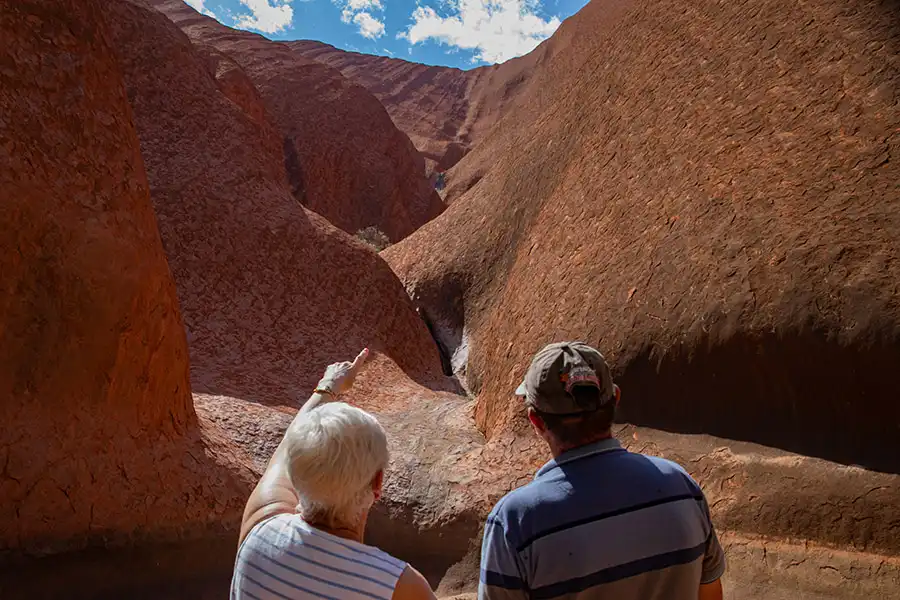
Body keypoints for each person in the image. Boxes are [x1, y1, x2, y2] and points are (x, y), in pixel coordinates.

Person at [478, 342, 726, 600]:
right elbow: (710, 594)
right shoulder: (681, 488)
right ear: (615, 399)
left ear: (536, 421)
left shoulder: (515, 522)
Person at [231, 348, 436, 600]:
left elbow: (287, 447)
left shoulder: (260, 528)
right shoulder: (399, 586)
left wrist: (329, 385)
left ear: (296, 474)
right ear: (378, 482)